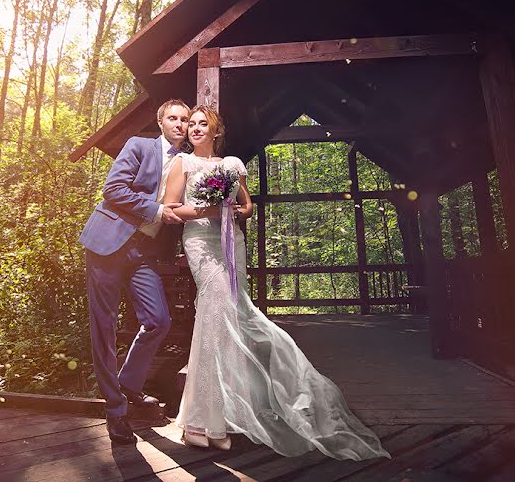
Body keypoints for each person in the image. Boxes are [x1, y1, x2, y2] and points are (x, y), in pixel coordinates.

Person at [162, 105, 390, 460]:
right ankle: (198, 422)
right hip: (201, 244)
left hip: (230, 243)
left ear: (216, 130)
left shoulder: (230, 165)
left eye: (202, 124)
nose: (194, 128)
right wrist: (211, 209)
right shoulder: (182, 164)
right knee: (214, 315)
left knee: (227, 322)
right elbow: (171, 210)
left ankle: (217, 418)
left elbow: (248, 205)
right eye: (190, 124)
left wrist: (236, 210)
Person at [78, 99, 190, 444]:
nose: (180, 124)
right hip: (107, 244)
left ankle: (128, 384)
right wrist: (156, 211)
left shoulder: (188, 163)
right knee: (104, 329)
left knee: (158, 320)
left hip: (144, 253)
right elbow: (112, 190)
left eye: (185, 119)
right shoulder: (139, 146)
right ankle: (115, 412)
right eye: (173, 117)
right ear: (161, 122)